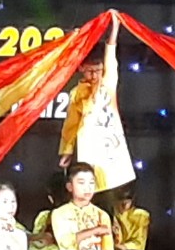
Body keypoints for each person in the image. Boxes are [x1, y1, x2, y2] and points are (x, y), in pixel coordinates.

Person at [58, 12, 135, 194]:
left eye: (98, 70)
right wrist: (67, 150)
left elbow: (111, 54)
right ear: (81, 69)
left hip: (109, 142)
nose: (94, 75)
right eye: (89, 71)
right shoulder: (77, 93)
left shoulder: (108, 83)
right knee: (90, 185)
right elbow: (71, 124)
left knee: (113, 186)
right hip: (89, 145)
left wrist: (114, 30)